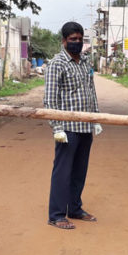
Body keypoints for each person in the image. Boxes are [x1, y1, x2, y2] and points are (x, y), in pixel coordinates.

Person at [44, 22, 102, 229]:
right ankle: (57, 215)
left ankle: (75, 209)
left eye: (79, 39)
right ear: (64, 41)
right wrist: (57, 127)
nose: (76, 43)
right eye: (72, 40)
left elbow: (91, 91)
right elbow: (50, 100)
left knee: (80, 171)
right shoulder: (57, 64)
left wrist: (96, 119)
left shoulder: (86, 62)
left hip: (86, 126)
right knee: (63, 172)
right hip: (67, 128)